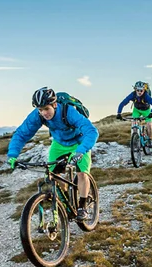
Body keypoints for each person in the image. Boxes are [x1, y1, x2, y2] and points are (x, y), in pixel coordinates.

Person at [7, 87, 99, 221]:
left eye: (46, 108)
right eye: (40, 109)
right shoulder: (37, 115)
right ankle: (67, 203)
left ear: (55, 105)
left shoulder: (69, 112)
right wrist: (13, 154)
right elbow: (22, 133)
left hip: (79, 142)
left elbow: (91, 131)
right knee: (53, 176)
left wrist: (81, 150)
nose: (43, 113)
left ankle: (82, 206)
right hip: (60, 143)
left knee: (82, 173)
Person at [116, 81, 152, 147]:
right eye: (138, 90)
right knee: (134, 125)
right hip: (136, 110)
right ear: (135, 89)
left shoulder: (146, 96)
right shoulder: (132, 95)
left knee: (149, 124)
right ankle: (134, 139)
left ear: (144, 90)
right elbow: (123, 103)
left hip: (146, 110)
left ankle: (149, 140)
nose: (139, 92)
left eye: (141, 90)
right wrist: (119, 113)